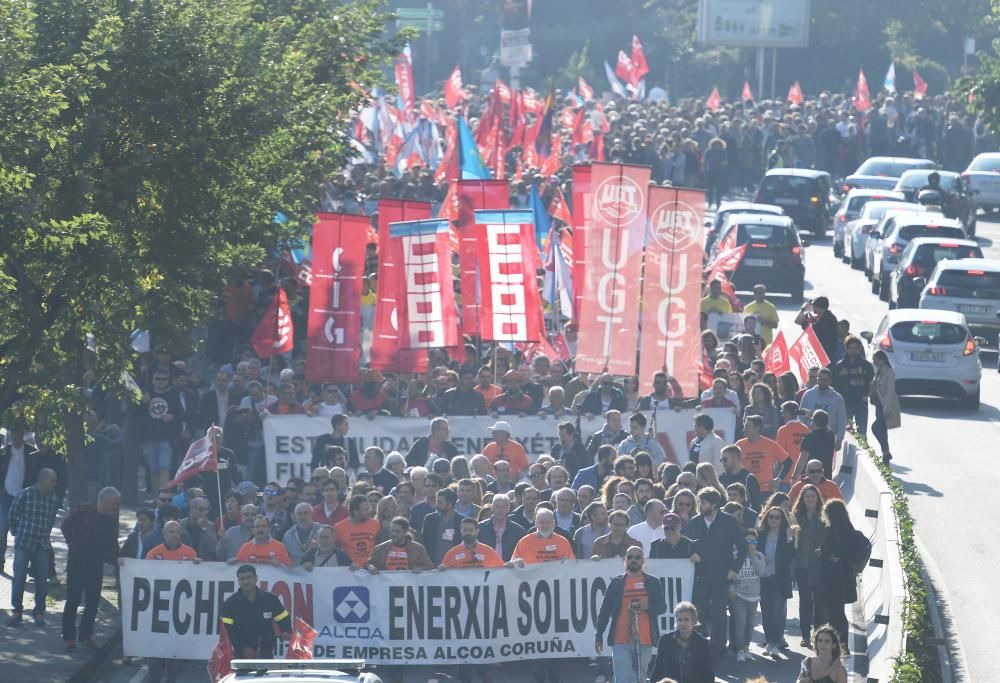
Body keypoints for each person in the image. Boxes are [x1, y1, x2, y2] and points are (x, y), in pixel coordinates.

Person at [683, 487, 745, 663]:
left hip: (721, 577)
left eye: (704, 503)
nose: (700, 506)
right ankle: (695, 650)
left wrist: (734, 569)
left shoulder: (728, 522)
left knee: (718, 616)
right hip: (699, 577)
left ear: (715, 504)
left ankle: (715, 653)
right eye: (700, 502)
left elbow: (743, 547)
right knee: (697, 615)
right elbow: (685, 544)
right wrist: (690, 554)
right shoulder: (694, 522)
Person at [594, 546, 668, 683]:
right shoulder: (616, 583)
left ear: (643, 561)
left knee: (639, 679)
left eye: (637, 557)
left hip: (645, 640)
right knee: (623, 679)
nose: (633, 560)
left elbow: (662, 608)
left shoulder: (653, 582)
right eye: (630, 557)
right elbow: (605, 610)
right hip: (620, 640)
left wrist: (647, 606)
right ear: (625, 561)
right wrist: (598, 635)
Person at [60, 486, 120, 650]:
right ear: (104, 500)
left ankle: (86, 635)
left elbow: (112, 541)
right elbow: (65, 525)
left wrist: (117, 559)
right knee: (73, 599)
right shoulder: (83, 510)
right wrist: (72, 544)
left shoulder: (110, 518)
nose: (115, 506)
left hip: (95, 564)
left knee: (93, 602)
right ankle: (69, 636)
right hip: (77, 562)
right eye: (114, 503)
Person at [6, 468, 60, 627]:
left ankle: (39, 612)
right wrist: (16, 532)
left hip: (42, 544)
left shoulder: (53, 498)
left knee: (42, 581)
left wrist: (46, 535)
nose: (55, 483)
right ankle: (17, 611)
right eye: (53, 480)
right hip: (24, 542)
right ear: (43, 480)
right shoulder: (25, 494)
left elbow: (50, 519)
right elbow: (12, 514)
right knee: (19, 578)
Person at [221, 564, 292, 658]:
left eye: (249, 577)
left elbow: (283, 618)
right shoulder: (230, 603)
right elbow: (227, 630)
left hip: (266, 652)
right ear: (238, 581)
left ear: (256, 578)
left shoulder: (271, 599)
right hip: (241, 655)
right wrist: (243, 648)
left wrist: (286, 631)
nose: (246, 581)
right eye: (242, 579)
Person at [819, 499, 860, 650]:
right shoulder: (847, 526)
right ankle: (840, 645)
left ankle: (841, 646)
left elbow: (836, 549)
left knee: (836, 614)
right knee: (837, 613)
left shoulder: (838, 527)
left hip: (835, 578)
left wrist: (829, 555)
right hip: (843, 578)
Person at [791, 483, 829, 647]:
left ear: (817, 498)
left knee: (820, 602)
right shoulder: (796, 517)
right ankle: (805, 634)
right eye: (807, 496)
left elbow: (830, 537)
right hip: (802, 566)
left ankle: (818, 634)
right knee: (805, 601)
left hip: (820, 566)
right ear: (802, 499)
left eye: (813, 496)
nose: (810, 499)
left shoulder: (824, 516)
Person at [757, 505, 795, 656]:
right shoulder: (761, 535)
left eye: (777, 517)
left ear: (782, 520)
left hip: (780, 579)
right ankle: (770, 641)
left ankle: (776, 642)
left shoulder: (787, 535)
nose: (773, 519)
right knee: (766, 612)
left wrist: (789, 538)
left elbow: (791, 555)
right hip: (764, 578)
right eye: (771, 516)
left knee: (778, 611)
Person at [648, 602, 715, 683]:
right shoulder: (665, 641)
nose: (683, 623)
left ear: (694, 620)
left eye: (686, 619)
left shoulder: (703, 643)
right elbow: (657, 670)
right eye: (679, 620)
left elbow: (709, 675)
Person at [730, 525, 766, 662]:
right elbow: (731, 574)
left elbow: (762, 572)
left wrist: (753, 556)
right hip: (739, 595)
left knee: (750, 624)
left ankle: (746, 647)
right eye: (748, 541)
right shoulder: (736, 556)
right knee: (740, 623)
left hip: (754, 596)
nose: (751, 544)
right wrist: (731, 589)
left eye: (754, 541)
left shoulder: (759, 556)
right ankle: (739, 650)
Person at [735, 416, 792, 497]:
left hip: (766, 491)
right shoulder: (739, 445)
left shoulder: (771, 445)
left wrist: (778, 480)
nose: (744, 429)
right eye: (744, 426)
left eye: (747, 426)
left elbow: (788, 462)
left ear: (757, 428)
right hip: (746, 491)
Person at [833, 335, 874, 437]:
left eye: (856, 348)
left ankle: (862, 451)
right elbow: (835, 385)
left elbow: (872, 383)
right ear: (846, 348)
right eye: (851, 348)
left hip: (861, 403)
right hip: (845, 404)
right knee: (847, 433)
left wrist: (867, 395)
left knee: (861, 433)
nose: (853, 350)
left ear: (859, 349)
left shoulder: (866, 365)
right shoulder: (840, 366)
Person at [366, 517, 434, 573]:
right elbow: (368, 563)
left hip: (408, 587)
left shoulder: (418, 549)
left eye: (397, 532)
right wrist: (370, 567)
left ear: (405, 532)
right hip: (386, 587)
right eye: (392, 531)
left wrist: (420, 569)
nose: (394, 534)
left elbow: (430, 567)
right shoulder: (380, 548)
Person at [334, 494, 381, 569]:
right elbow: (334, 550)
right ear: (355, 512)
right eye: (366, 510)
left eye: (369, 508)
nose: (369, 511)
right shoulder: (339, 527)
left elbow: (380, 548)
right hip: (350, 572)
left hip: (371, 571)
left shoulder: (375, 524)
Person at [870, 349, 900, 464]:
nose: (875, 363)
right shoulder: (878, 372)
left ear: (882, 360)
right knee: (882, 430)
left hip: (885, 405)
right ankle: (885, 453)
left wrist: (887, 408)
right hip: (878, 405)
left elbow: (891, 391)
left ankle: (886, 452)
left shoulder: (889, 372)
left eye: (876, 361)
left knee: (875, 428)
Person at [440, 517, 504, 569]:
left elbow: (502, 569)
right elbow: (442, 575)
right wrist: (441, 569)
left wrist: (508, 566)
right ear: (461, 531)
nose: (468, 533)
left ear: (477, 531)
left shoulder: (489, 551)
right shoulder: (452, 553)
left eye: (471, 530)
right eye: (465, 530)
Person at [420, 488, 463, 566]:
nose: (437, 505)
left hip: (454, 567)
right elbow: (424, 542)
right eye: (437, 501)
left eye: (440, 503)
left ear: (450, 504)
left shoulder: (461, 521)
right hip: (432, 567)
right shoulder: (429, 519)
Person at [478, 494, 524, 561]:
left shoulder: (518, 531)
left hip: (509, 569)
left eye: (503, 507)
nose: (500, 510)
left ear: (508, 509)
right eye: (497, 506)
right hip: (486, 568)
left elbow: (521, 554)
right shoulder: (480, 528)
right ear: (492, 508)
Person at [794, 296, 838, 360]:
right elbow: (797, 321)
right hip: (820, 353)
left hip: (826, 354)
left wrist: (803, 310)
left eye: (813, 306)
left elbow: (810, 328)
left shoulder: (827, 319)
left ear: (817, 307)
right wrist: (803, 310)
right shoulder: (819, 318)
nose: (812, 308)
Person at [797, 410, 837, 479]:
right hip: (826, 477)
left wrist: (794, 477)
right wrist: (816, 418)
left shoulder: (809, 437)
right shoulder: (831, 436)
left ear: (813, 422)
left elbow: (802, 459)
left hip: (810, 477)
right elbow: (827, 426)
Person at [282, 502, 321, 566]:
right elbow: (284, 558)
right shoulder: (287, 535)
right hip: (296, 574)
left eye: (306, 513)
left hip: (318, 571)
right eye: (299, 514)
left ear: (312, 514)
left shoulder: (322, 531)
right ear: (295, 515)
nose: (302, 517)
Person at [777, 401, 810, 476]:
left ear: (787, 413)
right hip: (803, 475)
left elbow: (779, 456)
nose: (782, 415)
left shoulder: (782, 430)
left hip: (787, 475)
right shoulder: (806, 429)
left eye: (783, 412)